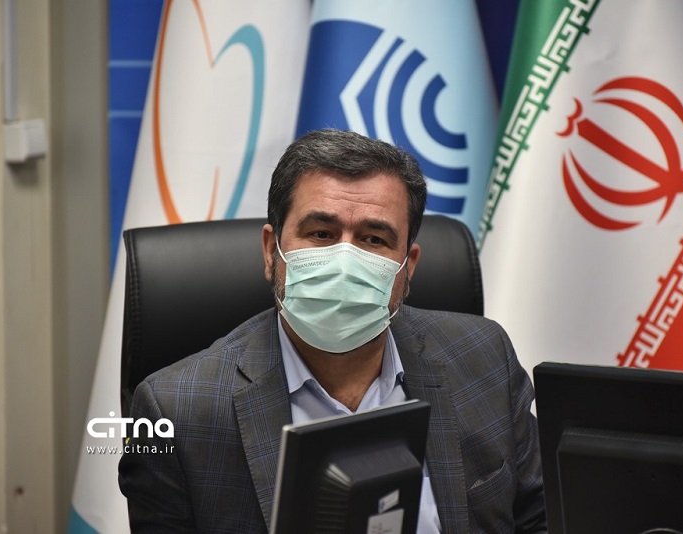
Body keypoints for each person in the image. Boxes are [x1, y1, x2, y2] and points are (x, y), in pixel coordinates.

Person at [118, 129, 547, 533]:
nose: (345, 260)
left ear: (408, 267)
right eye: (321, 233)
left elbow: (543, 519)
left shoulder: (484, 358)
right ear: (271, 251)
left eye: (373, 239)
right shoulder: (176, 412)